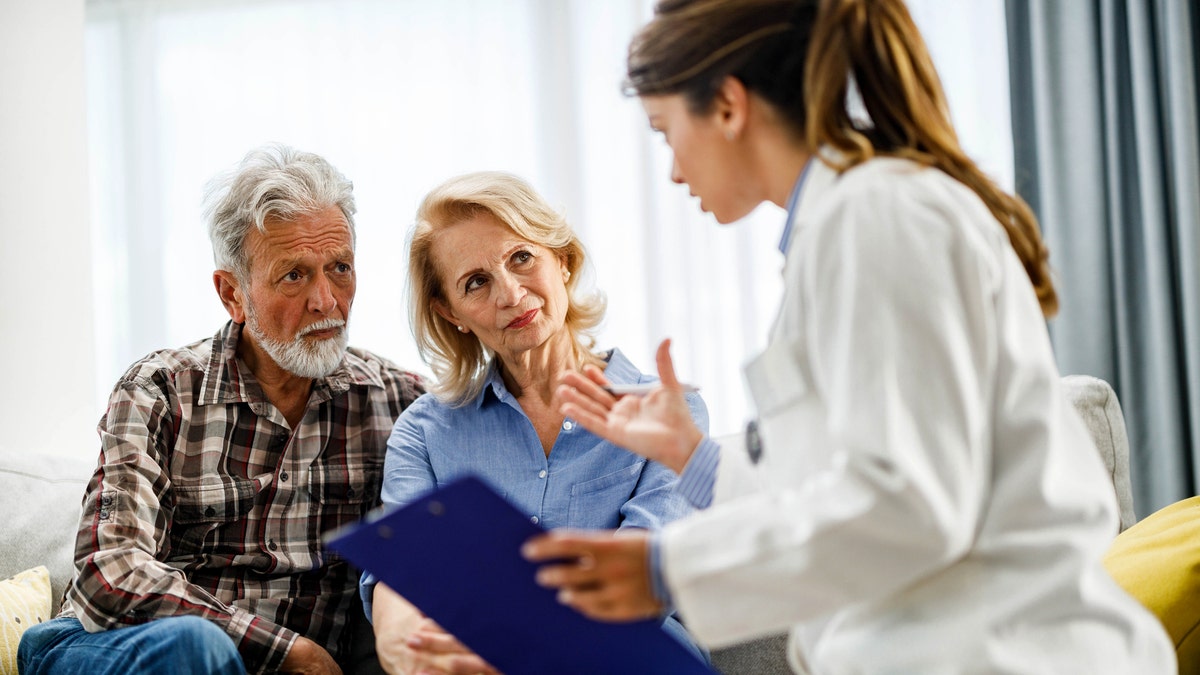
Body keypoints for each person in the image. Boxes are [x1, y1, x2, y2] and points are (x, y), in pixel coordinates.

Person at [522, 0, 1178, 673]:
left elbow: (911, 505)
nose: (673, 171)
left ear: (726, 104)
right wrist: (694, 457)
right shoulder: (847, 223)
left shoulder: (879, 217)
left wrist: (668, 568)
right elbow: (847, 478)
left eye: (665, 132)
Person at [18, 144, 425, 675]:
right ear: (232, 293)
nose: (327, 299)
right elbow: (110, 572)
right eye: (294, 275)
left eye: (340, 267)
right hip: (112, 647)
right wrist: (287, 650)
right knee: (197, 650)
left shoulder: (398, 404)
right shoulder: (160, 389)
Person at [360, 171, 709, 675]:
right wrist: (400, 647)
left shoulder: (667, 410)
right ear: (450, 311)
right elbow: (405, 571)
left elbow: (642, 579)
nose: (510, 293)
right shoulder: (424, 432)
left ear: (561, 260)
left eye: (521, 258)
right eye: (476, 283)